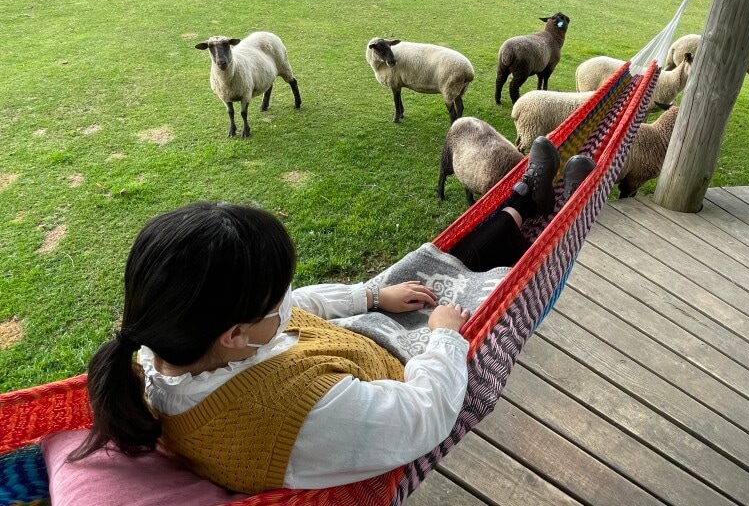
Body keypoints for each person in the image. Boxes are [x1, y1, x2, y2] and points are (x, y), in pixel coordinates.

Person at [68, 136, 593, 494]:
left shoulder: (162, 349)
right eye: (277, 295)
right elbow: (425, 415)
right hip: (408, 367)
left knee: (430, 267)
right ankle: (555, 222)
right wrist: (444, 340)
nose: (288, 298)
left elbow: (302, 308)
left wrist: (370, 298)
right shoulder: (294, 420)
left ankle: (525, 200)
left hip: (351, 338)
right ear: (234, 333)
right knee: (491, 293)